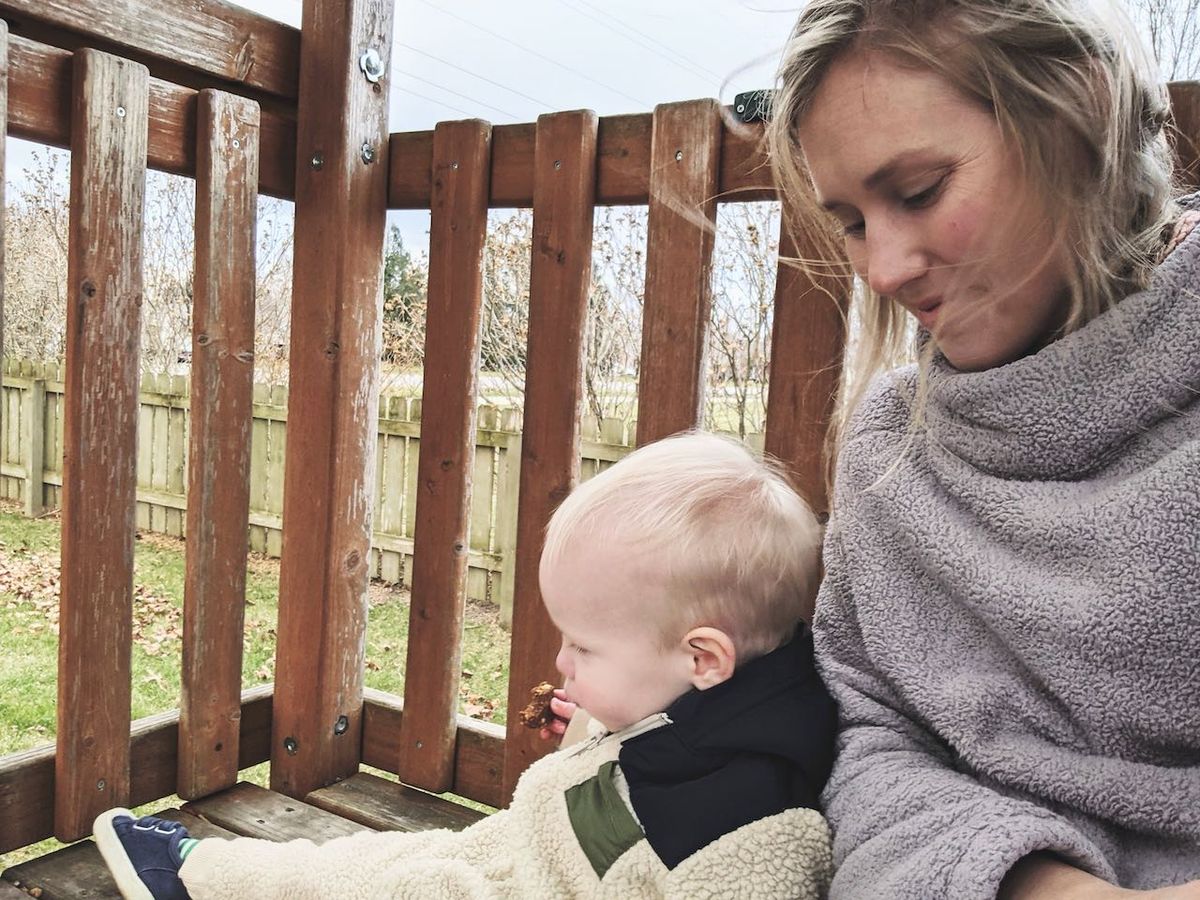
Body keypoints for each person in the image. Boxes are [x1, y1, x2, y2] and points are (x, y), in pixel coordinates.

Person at [762, 0, 1200, 898]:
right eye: (852, 221)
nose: (883, 269)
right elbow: (867, 731)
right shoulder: (893, 449)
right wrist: (1033, 885)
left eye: (919, 191)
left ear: (1081, 116)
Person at [93, 431, 838, 900]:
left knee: (406, 885)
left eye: (584, 647)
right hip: (509, 851)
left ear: (703, 657)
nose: (560, 658)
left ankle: (194, 879)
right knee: (367, 864)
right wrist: (592, 724)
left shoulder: (754, 835)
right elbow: (637, 771)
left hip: (515, 883)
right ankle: (202, 871)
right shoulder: (707, 703)